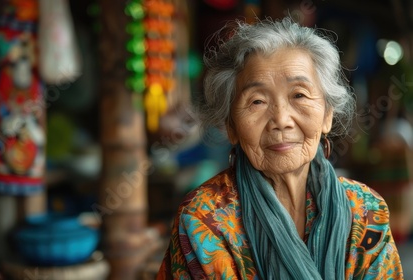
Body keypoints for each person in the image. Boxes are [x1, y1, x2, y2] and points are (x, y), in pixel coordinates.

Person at [157, 17, 403, 279]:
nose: (281, 121)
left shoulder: (365, 210)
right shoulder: (204, 218)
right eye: (257, 101)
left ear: (327, 115)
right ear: (231, 126)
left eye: (299, 95)